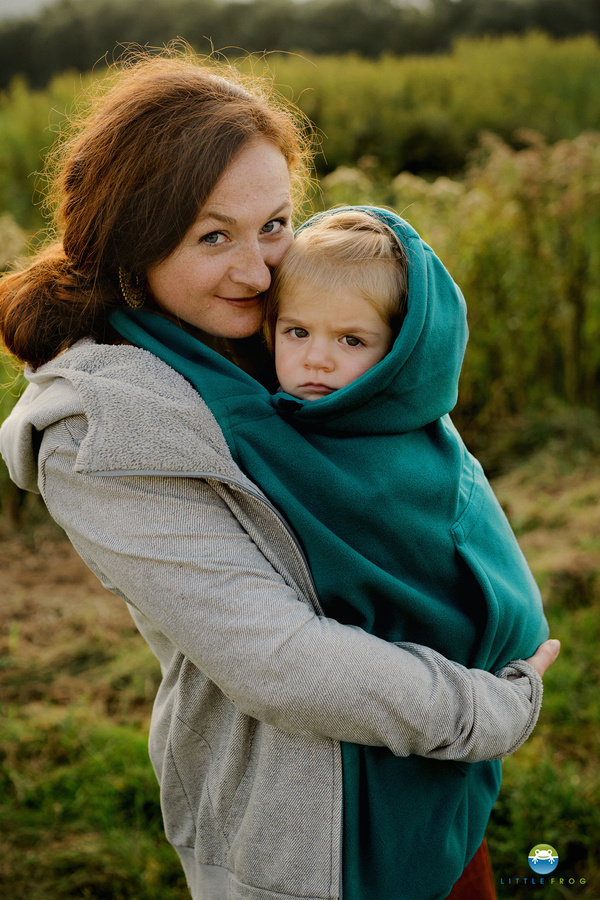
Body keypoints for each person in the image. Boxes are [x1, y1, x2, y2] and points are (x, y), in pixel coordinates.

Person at [0, 49, 559, 900]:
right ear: (132, 241)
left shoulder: (290, 326)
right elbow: (276, 658)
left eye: (273, 223)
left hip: (430, 792)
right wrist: (481, 710)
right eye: (211, 237)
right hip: (308, 826)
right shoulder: (97, 430)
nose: (259, 270)